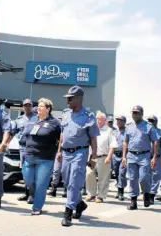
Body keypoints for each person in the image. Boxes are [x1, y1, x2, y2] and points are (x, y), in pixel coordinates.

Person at [56, 86, 99, 227]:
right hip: (66, 152)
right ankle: (79, 204)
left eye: (70, 98)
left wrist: (93, 156)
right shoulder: (66, 113)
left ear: (79, 99)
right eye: (67, 98)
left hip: (80, 152)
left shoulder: (88, 116)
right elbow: (63, 133)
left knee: (74, 182)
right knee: (68, 183)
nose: (67, 100)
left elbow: (93, 138)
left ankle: (67, 214)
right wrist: (59, 150)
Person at [21, 98, 61, 215]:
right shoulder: (33, 120)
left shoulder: (55, 123)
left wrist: (59, 151)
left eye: (41, 106)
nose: (38, 108)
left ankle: (37, 207)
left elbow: (62, 137)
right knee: (28, 180)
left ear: (48, 109)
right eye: (38, 106)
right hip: (29, 156)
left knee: (41, 184)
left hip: (45, 159)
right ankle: (33, 194)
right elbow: (25, 134)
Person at [122, 105, 158, 210]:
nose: (135, 114)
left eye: (137, 112)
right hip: (131, 155)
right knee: (132, 178)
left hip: (144, 156)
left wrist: (154, 157)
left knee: (143, 178)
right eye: (133, 112)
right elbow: (125, 142)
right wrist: (124, 156)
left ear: (142, 114)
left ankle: (146, 193)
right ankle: (133, 202)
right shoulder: (128, 126)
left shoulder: (148, 126)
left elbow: (155, 141)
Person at [86, 111, 117, 203]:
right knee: (89, 174)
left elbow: (113, 145)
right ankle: (91, 194)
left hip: (104, 157)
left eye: (99, 119)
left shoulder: (109, 130)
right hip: (92, 157)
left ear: (104, 120)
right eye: (96, 119)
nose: (97, 120)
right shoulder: (92, 130)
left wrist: (109, 157)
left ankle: (100, 196)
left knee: (103, 178)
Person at [11, 99, 37, 203]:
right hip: (22, 148)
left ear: (32, 106)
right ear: (23, 107)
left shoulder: (37, 118)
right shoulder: (19, 119)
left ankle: (32, 195)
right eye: (25, 105)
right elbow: (12, 132)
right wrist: (6, 143)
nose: (27, 107)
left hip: (33, 148)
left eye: (29, 105)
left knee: (32, 171)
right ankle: (27, 193)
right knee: (25, 172)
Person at [147, 115, 161, 204]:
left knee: (156, 177)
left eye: (152, 121)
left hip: (157, 158)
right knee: (145, 176)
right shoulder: (145, 130)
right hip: (145, 157)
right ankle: (146, 193)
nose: (150, 122)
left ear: (156, 122)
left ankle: (152, 195)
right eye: (149, 120)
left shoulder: (160, 132)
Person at [112, 115, 127, 201]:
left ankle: (121, 192)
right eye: (117, 121)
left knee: (122, 173)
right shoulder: (114, 132)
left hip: (124, 156)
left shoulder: (127, 132)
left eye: (120, 121)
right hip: (115, 155)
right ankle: (118, 189)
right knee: (117, 173)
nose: (118, 122)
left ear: (124, 122)